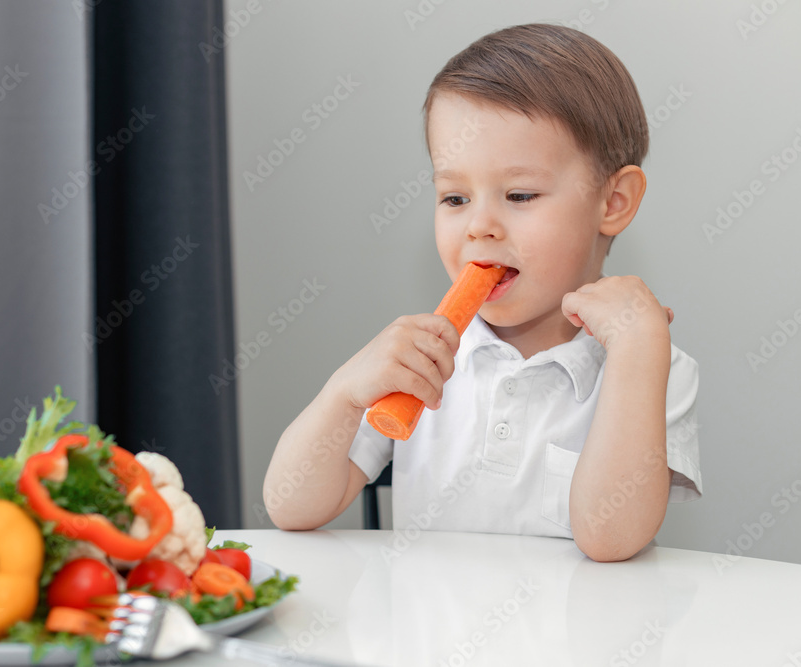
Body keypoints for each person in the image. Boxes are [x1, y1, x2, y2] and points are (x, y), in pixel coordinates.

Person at [263, 24, 702, 562]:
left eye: (519, 194)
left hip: (582, 644)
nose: (480, 226)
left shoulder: (655, 364)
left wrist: (638, 354)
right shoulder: (419, 361)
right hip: (428, 646)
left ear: (613, 202)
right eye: (454, 198)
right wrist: (342, 394)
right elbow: (291, 506)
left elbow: (610, 539)